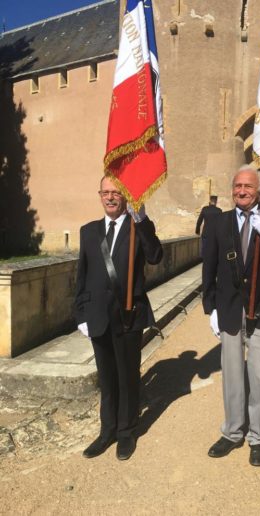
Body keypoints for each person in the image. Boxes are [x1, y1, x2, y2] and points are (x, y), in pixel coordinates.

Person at [202, 165, 260, 467]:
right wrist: (210, 307)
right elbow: (209, 266)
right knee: (231, 374)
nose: (242, 191)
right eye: (238, 186)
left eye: (248, 186)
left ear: (258, 191)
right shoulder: (218, 221)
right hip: (229, 308)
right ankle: (232, 432)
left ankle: (257, 436)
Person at [75, 176, 163, 460]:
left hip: (128, 315)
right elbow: (82, 275)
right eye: (106, 192)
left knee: (127, 376)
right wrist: (81, 313)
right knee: (107, 378)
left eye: (116, 192)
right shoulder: (88, 231)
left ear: (125, 196)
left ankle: (126, 432)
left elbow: (155, 256)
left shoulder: (137, 228)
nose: (110, 197)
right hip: (97, 315)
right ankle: (107, 431)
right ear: (100, 195)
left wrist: (142, 221)